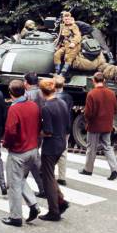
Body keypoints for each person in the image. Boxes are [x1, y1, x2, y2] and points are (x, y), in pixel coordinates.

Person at [1, 80, 42, 227]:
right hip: (33, 149)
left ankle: (16, 217)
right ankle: (33, 205)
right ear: (24, 90)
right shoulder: (33, 105)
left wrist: (6, 144)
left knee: (13, 183)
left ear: (10, 93)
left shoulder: (14, 109)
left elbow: (10, 131)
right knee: (20, 179)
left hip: (19, 151)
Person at [38, 79, 71, 221]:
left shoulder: (46, 107)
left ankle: (54, 210)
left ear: (42, 92)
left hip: (51, 145)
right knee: (47, 174)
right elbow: (67, 125)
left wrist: (37, 133)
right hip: (61, 142)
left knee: (47, 178)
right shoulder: (62, 102)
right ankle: (61, 201)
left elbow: (48, 131)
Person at [79, 72, 117, 180]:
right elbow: (115, 109)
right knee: (108, 146)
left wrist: (88, 120)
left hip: (94, 126)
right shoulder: (111, 93)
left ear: (93, 81)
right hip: (107, 125)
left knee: (91, 148)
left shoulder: (91, 94)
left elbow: (88, 113)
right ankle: (114, 169)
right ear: (104, 81)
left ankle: (88, 169)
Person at [23, 72, 47, 197]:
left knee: (30, 159)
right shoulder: (42, 93)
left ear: (26, 82)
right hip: (39, 130)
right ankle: (42, 187)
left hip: (29, 131)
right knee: (33, 158)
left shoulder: (27, 95)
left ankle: (18, 182)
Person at [54, 75, 73, 186]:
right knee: (63, 151)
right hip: (65, 128)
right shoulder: (68, 97)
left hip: (55, 128)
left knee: (50, 152)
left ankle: (48, 175)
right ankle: (62, 177)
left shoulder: (51, 98)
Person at [53, 11, 81, 78]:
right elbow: (60, 36)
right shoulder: (62, 26)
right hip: (64, 45)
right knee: (56, 55)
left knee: (68, 58)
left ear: (70, 18)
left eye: (68, 19)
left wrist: (73, 42)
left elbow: (78, 36)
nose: (67, 20)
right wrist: (57, 42)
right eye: (65, 19)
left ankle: (63, 74)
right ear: (63, 19)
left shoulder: (74, 26)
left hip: (73, 46)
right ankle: (57, 71)